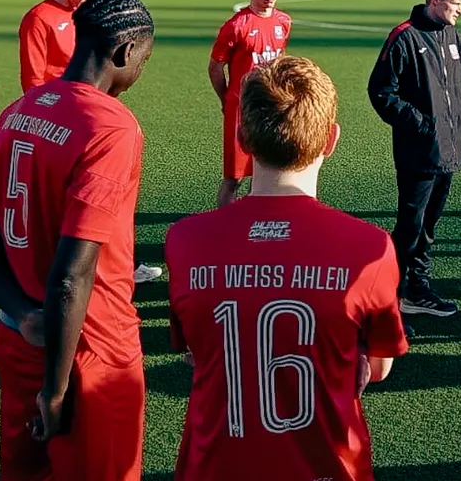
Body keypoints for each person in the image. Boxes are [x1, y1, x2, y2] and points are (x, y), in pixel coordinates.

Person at [166, 55, 409, 480]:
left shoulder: (186, 240)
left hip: (217, 466)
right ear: (331, 140)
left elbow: (195, 350)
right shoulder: (370, 247)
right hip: (328, 466)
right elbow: (380, 366)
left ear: (242, 138)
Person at [0, 0, 156, 481]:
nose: (139, 72)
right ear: (126, 52)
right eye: (144, 60)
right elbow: (72, 274)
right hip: (89, 349)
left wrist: (23, 315)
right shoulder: (112, 126)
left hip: (21, 334)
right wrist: (57, 388)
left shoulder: (20, 109)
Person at [18, 0, 160, 284]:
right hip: (61, 127)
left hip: (97, 121)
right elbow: (33, 83)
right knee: (67, 203)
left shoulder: (91, 17)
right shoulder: (40, 18)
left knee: (113, 194)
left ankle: (120, 262)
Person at [368, 0, 461, 318]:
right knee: (410, 227)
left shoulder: (454, 35)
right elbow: (381, 92)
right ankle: (390, 302)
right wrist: (421, 124)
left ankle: (417, 289)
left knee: (429, 226)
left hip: (450, 148)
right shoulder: (403, 38)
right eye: (456, 3)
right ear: (435, 1)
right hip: (419, 151)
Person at [209, 0, 292, 208]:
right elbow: (215, 67)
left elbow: (279, 61)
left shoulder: (284, 22)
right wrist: (226, 99)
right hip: (241, 108)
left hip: (272, 106)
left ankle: (261, 217)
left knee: (269, 170)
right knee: (234, 177)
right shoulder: (236, 26)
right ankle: (225, 225)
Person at [19, 0, 111, 93]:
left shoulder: (95, 14)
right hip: (55, 103)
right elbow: (32, 79)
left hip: (87, 100)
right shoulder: (39, 18)